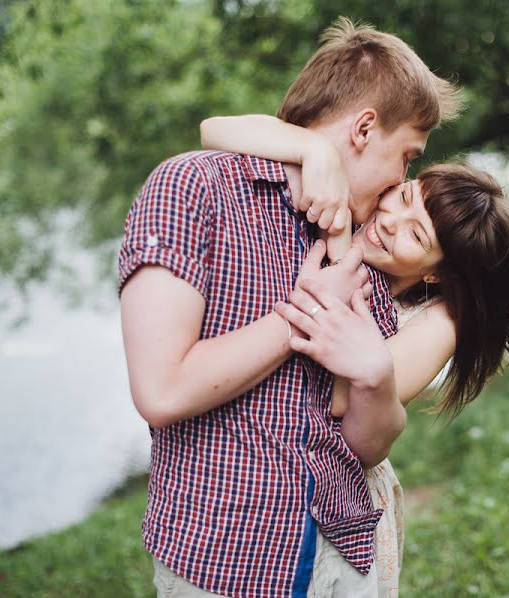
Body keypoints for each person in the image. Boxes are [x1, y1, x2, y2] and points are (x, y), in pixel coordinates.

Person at [118, 17, 461, 598]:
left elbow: (355, 430)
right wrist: (301, 313)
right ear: (364, 129)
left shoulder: (356, 245)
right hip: (228, 561)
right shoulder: (193, 190)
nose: (403, 178)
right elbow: (162, 392)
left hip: (344, 552)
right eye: (407, 156)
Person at [199, 115, 509, 593]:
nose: (388, 223)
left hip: (334, 510)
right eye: (404, 197)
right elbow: (214, 129)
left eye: (416, 236)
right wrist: (317, 151)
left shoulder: (439, 325)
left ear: (437, 274)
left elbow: (344, 396)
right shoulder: (350, 206)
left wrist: (337, 250)